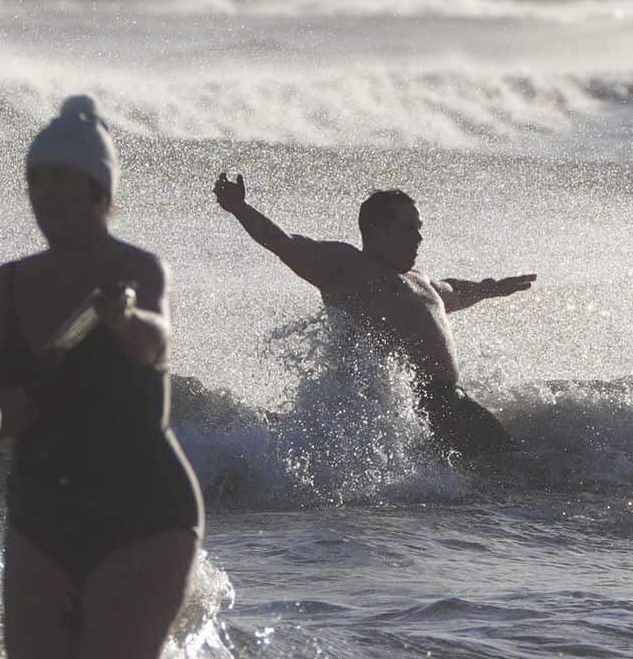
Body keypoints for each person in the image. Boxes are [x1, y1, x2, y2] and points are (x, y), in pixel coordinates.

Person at [0, 97, 202, 659]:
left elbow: (154, 343)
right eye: (36, 180)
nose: (46, 195)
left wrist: (117, 317)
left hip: (143, 513)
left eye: (62, 181)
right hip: (43, 513)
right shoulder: (6, 285)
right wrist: (35, 390)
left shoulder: (136, 270)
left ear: (100, 193)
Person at [209, 172, 536, 459]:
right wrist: (240, 208)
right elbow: (284, 243)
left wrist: (493, 288)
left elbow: (454, 291)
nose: (419, 237)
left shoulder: (419, 280)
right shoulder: (351, 269)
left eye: (419, 228)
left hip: (449, 404)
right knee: (520, 470)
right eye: (409, 228)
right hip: (414, 407)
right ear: (378, 231)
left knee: (510, 469)